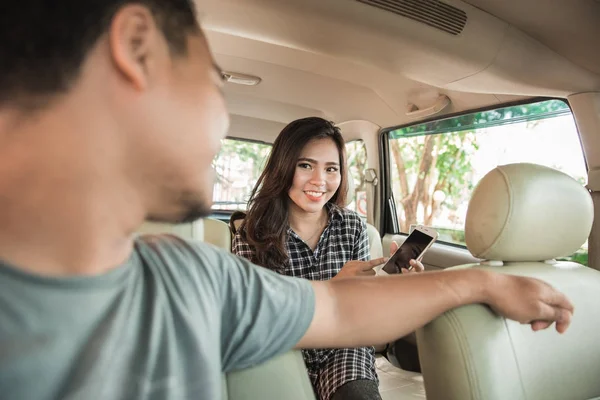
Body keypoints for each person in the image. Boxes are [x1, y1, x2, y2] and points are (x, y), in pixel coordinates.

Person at [0, 1, 574, 399]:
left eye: (330, 168)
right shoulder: (234, 245)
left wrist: (480, 280)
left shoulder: (190, 276)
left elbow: (339, 311)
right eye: (213, 80)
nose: (220, 117)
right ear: (137, 49)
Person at [232, 117, 421, 400]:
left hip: (343, 348)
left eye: (331, 169)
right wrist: (331, 289)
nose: (319, 181)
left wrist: (396, 291)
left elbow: (362, 317)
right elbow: (257, 321)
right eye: (305, 165)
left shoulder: (353, 227)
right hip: (280, 352)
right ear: (283, 167)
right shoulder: (251, 233)